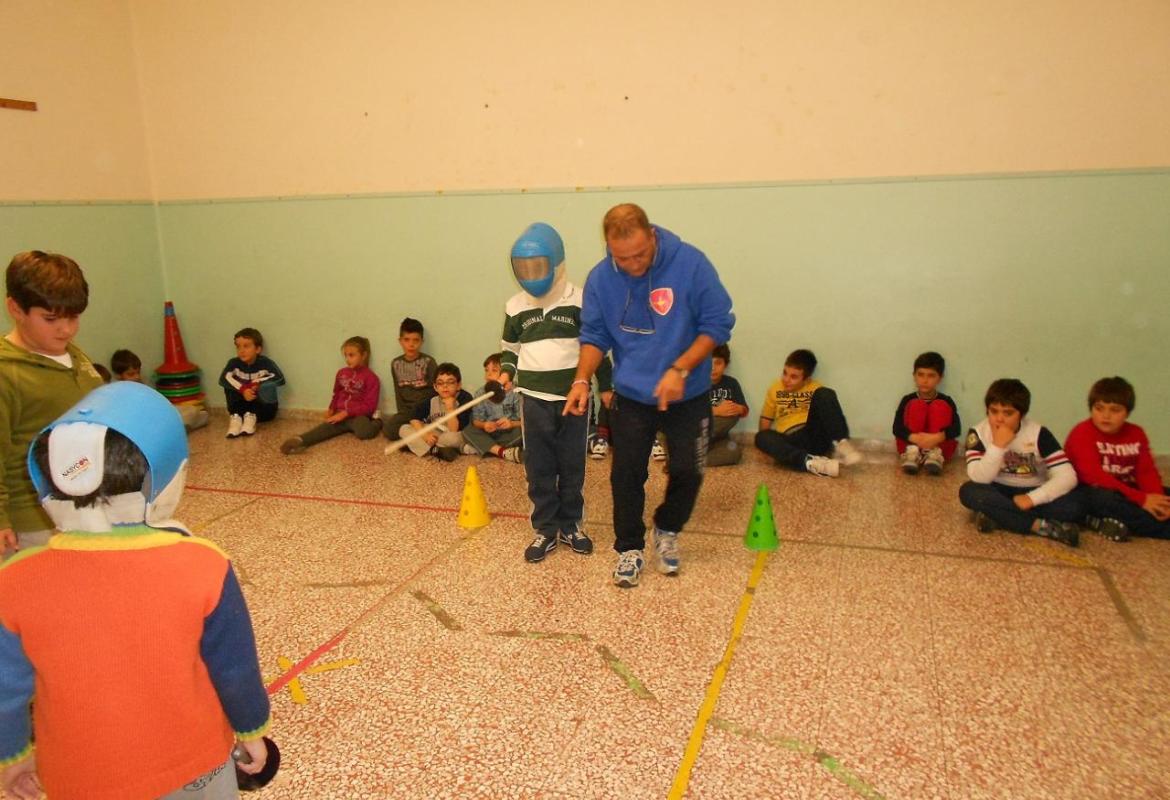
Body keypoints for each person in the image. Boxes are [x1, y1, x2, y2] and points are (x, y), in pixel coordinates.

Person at [0, 381, 271, 799]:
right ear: (168, 477)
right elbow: (234, 670)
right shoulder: (204, 564)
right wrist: (251, 729)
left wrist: (12, 756)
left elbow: (4, 691)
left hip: (76, 778)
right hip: (194, 767)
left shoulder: (14, 580)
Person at [564, 203, 735, 588]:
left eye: (640, 255)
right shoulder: (601, 278)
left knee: (689, 470)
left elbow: (717, 324)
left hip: (688, 393)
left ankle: (667, 528)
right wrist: (580, 381)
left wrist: (680, 369)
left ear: (653, 236)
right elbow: (594, 337)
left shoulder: (691, 264)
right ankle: (629, 547)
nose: (633, 265)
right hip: (632, 395)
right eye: (621, 258)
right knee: (626, 474)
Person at [503, 223, 610, 563]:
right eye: (524, 267)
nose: (531, 274)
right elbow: (510, 349)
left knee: (572, 464)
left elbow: (597, 347)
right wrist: (506, 372)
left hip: (573, 400)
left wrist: (606, 387)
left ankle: (572, 525)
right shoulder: (515, 306)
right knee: (539, 466)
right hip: (533, 400)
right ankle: (546, 528)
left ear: (558, 263)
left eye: (538, 265)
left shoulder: (581, 299)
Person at [0, 251, 104, 557]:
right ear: (15, 308)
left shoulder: (72, 354)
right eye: (51, 318)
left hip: (83, 504)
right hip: (34, 522)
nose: (66, 329)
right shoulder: (6, 372)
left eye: (72, 317)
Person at [958, 378, 1081, 546]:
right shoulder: (978, 432)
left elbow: (1067, 476)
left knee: (1072, 507)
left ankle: (1000, 517)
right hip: (997, 490)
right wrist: (997, 446)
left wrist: (1032, 498)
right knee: (969, 492)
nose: (999, 419)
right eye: (993, 411)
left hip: (1031, 490)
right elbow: (979, 478)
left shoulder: (1039, 433)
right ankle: (1038, 526)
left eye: (1008, 413)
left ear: (1021, 415)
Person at [1064, 376, 1170, 541]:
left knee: (1164, 494)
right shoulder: (1082, 432)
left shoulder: (1136, 433)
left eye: (1115, 410)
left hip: (1124, 488)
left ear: (1127, 412)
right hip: (1089, 491)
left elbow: (1146, 472)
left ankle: (1139, 518)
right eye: (1099, 408)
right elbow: (1094, 476)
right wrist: (1142, 500)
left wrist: (1158, 501)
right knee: (1106, 500)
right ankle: (1160, 528)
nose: (1106, 416)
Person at [754, 349, 862, 478]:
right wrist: (767, 449)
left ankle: (841, 443)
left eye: (794, 377)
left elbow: (827, 414)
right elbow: (766, 419)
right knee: (761, 437)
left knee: (826, 393)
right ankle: (812, 463)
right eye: (785, 373)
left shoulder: (816, 388)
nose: (786, 379)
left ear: (807, 379)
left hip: (813, 434)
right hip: (790, 440)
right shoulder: (774, 388)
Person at [281, 336, 382, 455]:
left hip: (358, 416)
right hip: (340, 414)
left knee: (364, 433)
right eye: (346, 355)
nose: (347, 359)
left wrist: (347, 413)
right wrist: (332, 408)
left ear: (364, 355)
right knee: (326, 428)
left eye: (351, 355)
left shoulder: (371, 378)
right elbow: (336, 393)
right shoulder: (342, 373)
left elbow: (369, 406)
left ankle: (378, 422)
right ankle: (301, 440)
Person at [891, 351, 960, 475]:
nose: (925, 380)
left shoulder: (946, 400)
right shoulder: (907, 400)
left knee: (939, 406)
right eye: (921, 375)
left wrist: (937, 438)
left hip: (938, 445)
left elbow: (956, 428)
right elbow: (897, 428)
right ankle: (912, 455)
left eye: (931, 376)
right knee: (917, 404)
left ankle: (934, 456)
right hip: (912, 444)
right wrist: (914, 438)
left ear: (940, 378)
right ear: (914, 376)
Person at [112, 347, 210, 431]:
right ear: (118, 375)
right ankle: (177, 427)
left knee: (191, 410)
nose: (137, 377)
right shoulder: (118, 392)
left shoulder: (140, 385)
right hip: (148, 423)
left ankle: (185, 422)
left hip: (159, 415)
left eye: (138, 372)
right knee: (182, 418)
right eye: (131, 374)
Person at [218, 327, 285, 438]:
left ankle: (250, 419)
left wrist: (256, 385)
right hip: (241, 409)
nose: (241, 350)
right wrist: (243, 390)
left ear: (258, 349)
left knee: (266, 386)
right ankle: (236, 419)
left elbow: (280, 379)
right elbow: (223, 379)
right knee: (229, 385)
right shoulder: (234, 363)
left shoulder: (266, 363)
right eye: (238, 346)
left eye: (246, 346)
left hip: (263, 412)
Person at [398, 362, 472, 461]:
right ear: (435, 387)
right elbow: (414, 417)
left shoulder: (465, 398)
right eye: (440, 383)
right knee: (404, 428)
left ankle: (417, 446)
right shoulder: (432, 397)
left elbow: (454, 430)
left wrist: (450, 409)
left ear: (458, 385)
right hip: (434, 433)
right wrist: (425, 436)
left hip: (451, 434)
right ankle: (436, 450)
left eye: (450, 382)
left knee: (454, 439)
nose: (445, 386)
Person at [382, 318, 438, 440]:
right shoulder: (396, 364)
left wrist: (427, 410)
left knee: (437, 427)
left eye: (416, 340)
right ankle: (419, 434)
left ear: (422, 342)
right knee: (389, 430)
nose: (411, 344)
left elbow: (436, 390)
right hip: (407, 411)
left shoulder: (429, 362)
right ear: (400, 341)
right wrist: (401, 413)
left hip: (425, 409)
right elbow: (398, 392)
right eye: (406, 340)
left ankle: (417, 433)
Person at [461, 353, 522, 462]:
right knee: (468, 430)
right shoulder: (481, 393)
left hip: (509, 433)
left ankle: (485, 448)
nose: (488, 374)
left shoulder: (516, 392)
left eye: (494, 370)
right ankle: (502, 452)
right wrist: (484, 425)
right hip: (488, 433)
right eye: (486, 370)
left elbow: (523, 421)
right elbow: (476, 421)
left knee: (524, 431)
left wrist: (511, 423)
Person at [707, 343, 749, 467]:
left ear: (726, 364)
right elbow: (688, 413)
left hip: (718, 439)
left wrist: (739, 408)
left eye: (718, 363)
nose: (713, 368)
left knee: (734, 452)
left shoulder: (731, 383)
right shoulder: (696, 384)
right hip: (698, 432)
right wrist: (716, 411)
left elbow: (744, 410)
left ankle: (692, 461)